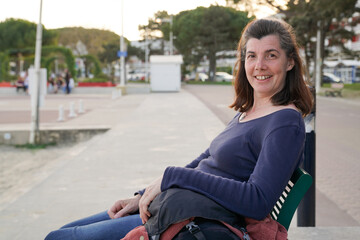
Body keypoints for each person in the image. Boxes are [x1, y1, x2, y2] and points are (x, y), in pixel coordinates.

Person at [45, 18, 313, 240]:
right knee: (63, 233)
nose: (259, 66)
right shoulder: (249, 111)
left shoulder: (284, 122)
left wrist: (173, 177)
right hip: (174, 204)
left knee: (56, 238)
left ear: (290, 62)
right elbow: (205, 160)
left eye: (271, 55)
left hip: (190, 218)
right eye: (252, 56)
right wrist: (143, 195)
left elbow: (257, 201)